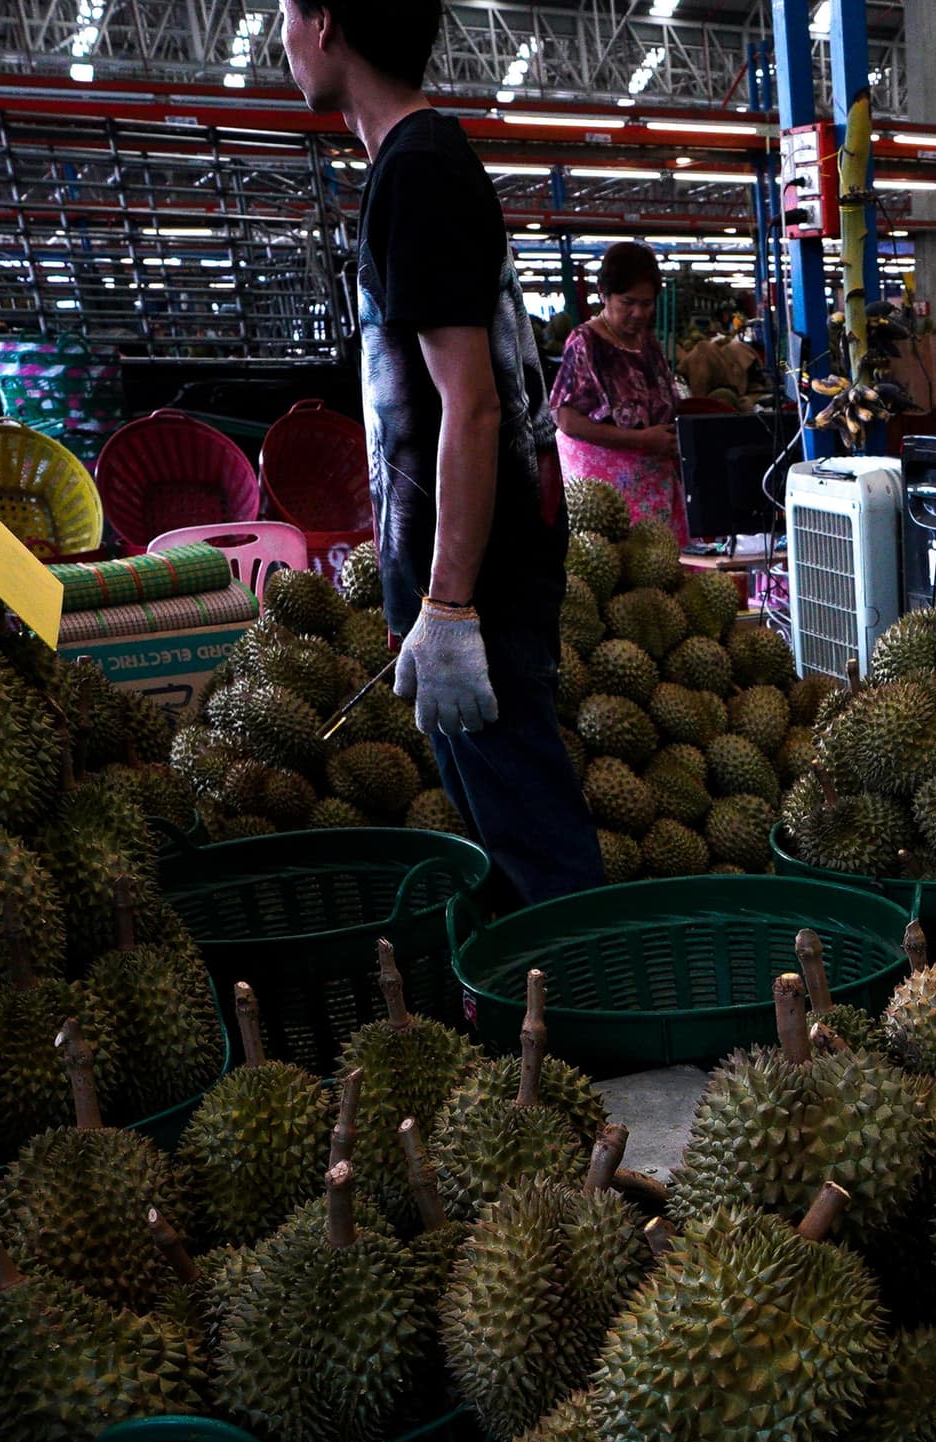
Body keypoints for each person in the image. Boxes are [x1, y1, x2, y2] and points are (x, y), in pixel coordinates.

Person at [283, 0, 596, 902]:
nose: (285, 40)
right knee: (504, 828)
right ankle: (547, 1019)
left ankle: (603, 1026)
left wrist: (452, 605)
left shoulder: (419, 172)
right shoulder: (409, 166)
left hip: (479, 582)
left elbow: (475, 403)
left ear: (329, 23)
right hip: (459, 577)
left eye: (287, 15)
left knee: (537, 845)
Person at [552, 241, 686, 538]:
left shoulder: (647, 341)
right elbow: (565, 418)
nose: (638, 313)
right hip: (604, 495)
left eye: (647, 303)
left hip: (654, 484)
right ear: (604, 294)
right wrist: (638, 439)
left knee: (660, 574)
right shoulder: (585, 342)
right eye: (628, 302)